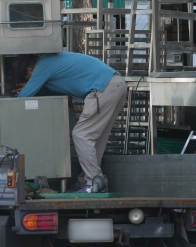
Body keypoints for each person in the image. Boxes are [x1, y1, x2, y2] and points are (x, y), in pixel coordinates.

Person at [16, 52, 127, 193]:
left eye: (28, 79)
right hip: (116, 84)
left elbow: (22, 99)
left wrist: (26, 89)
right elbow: (55, 92)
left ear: (30, 70)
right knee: (95, 140)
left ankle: (93, 182)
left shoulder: (42, 65)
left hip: (103, 88)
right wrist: (31, 87)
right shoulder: (51, 62)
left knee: (81, 135)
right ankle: (85, 183)